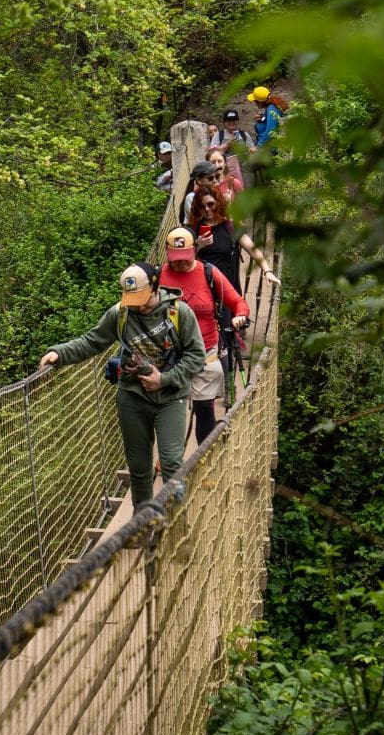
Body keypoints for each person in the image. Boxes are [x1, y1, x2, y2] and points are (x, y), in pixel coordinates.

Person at [39, 262, 204, 508]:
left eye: (141, 297)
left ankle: (176, 523)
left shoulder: (179, 313)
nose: (136, 303)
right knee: (139, 469)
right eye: (131, 297)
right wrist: (58, 354)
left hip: (171, 396)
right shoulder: (121, 313)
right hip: (133, 396)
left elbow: (196, 356)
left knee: (171, 463)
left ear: (155, 287)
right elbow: (92, 342)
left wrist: (164, 379)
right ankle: (141, 525)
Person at [158, 226, 251, 443]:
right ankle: (169, 458)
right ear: (167, 252)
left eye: (185, 258)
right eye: (175, 258)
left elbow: (238, 302)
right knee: (169, 411)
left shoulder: (209, 272)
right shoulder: (156, 277)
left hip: (204, 352)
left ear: (194, 250)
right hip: (169, 354)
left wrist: (240, 316)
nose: (180, 263)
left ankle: (203, 462)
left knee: (204, 410)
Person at [181, 160, 241, 292]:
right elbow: (196, 220)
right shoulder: (192, 198)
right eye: (210, 178)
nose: (215, 181)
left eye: (216, 177)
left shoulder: (216, 194)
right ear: (198, 180)